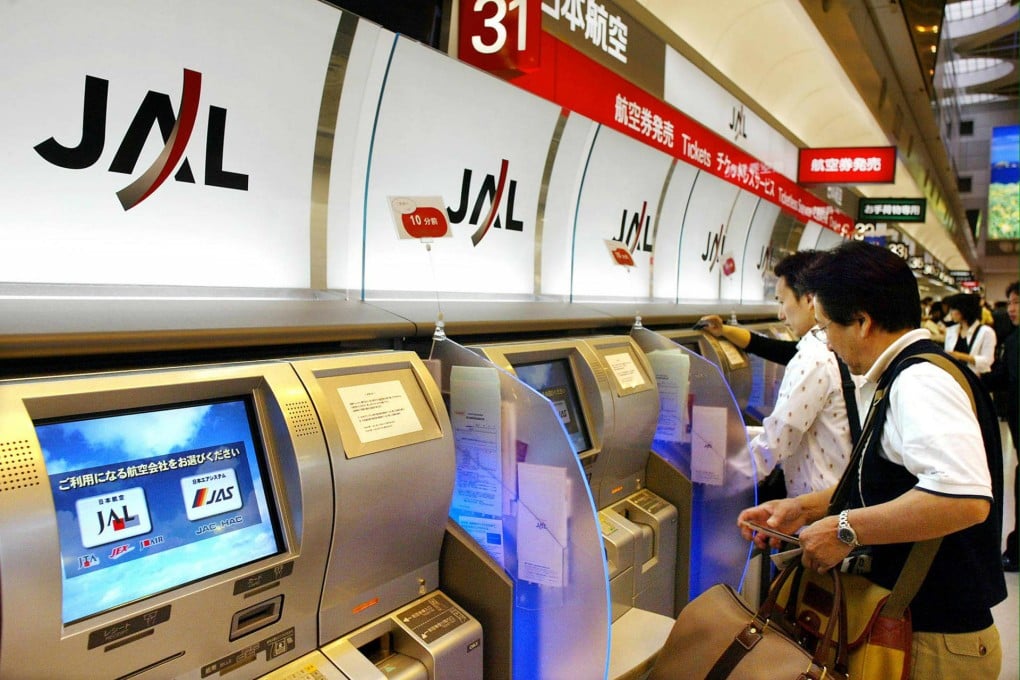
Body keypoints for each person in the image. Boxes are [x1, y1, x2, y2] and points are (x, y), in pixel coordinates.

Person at [738, 241, 1005, 679]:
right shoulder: (905, 373)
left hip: (932, 639)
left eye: (825, 328)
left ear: (861, 321)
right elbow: (890, 482)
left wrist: (845, 529)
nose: (826, 342)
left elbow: (963, 500)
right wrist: (803, 508)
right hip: (916, 627)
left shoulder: (919, 382)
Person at [704, 251, 857, 497]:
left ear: (809, 300)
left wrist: (717, 481)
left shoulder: (813, 357)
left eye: (781, 301)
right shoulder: (838, 347)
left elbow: (777, 440)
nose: (780, 314)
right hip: (835, 498)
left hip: (818, 511)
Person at [983, 281, 1019, 571]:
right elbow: (1002, 378)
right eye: (1010, 303)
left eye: (1017, 303)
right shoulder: (1013, 342)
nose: (1012, 310)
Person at [944, 292, 997, 375]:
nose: (951, 313)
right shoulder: (951, 331)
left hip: (974, 378)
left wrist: (960, 356)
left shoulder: (986, 332)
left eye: (953, 309)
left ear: (964, 310)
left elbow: (987, 361)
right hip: (954, 377)